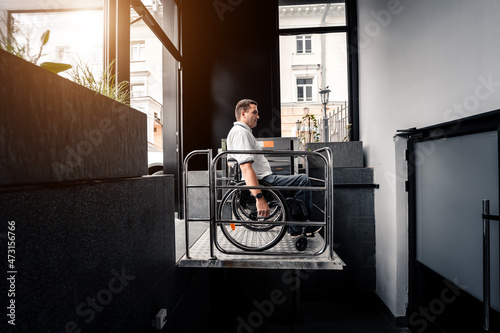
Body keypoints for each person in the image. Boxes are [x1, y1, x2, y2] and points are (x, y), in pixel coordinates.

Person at [226, 98, 321, 237]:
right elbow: (245, 167)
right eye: (254, 112)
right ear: (243, 113)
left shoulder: (240, 132)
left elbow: (231, 162)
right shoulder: (241, 133)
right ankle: (300, 227)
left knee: (294, 185)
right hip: (263, 182)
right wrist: (259, 198)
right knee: (303, 180)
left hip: (263, 180)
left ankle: (295, 227)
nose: (258, 116)